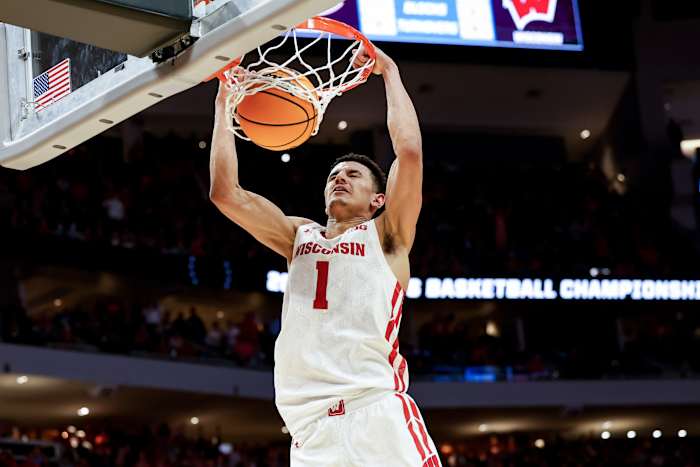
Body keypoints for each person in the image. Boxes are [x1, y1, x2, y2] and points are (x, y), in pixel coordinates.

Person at [210, 45, 440, 466]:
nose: (340, 179)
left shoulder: (388, 235)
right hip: (309, 432)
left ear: (378, 198)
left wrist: (389, 72)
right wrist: (225, 100)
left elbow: (409, 152)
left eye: (353, 175)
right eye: (334, 176)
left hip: (374, 413)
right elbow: (226, 193)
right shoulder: (298, 236)